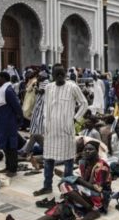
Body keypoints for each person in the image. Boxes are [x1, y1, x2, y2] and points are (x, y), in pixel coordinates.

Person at [34, 63, 88, 196]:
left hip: (66, 130)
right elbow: (46, 106)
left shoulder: (72, 87)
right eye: (56, 74)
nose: (59, 76)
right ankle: (47, 186)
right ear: (52, 75)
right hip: (51, 130)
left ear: (65, 74)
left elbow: (84, 103)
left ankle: (67, 188)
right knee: (48, 159)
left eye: (61, 74)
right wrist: (46, 122)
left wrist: (75, 119)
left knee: (68, 160)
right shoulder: (48, 87)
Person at [39, 141, 112, 220]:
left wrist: (79, 181)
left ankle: (90, 208)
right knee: (65, 185)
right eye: (85, 149)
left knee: (65, 185)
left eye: (90, 149)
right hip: (88, 192)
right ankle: (83, 206)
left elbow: (98, 188)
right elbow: (83, 181)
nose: (87, 151)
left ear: (97, 152)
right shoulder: (83, 162)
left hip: (100, 196)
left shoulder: (102, 166)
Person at [0, 72, 23, 177]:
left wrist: (20, 119)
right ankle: (7, 167)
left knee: (11, 147)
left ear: (3, 78)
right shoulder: (2, 89)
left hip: (9, 123)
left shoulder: (8, 90)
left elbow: (17, 106)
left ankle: (13, 169)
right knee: (5, 146)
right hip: (3, 123)